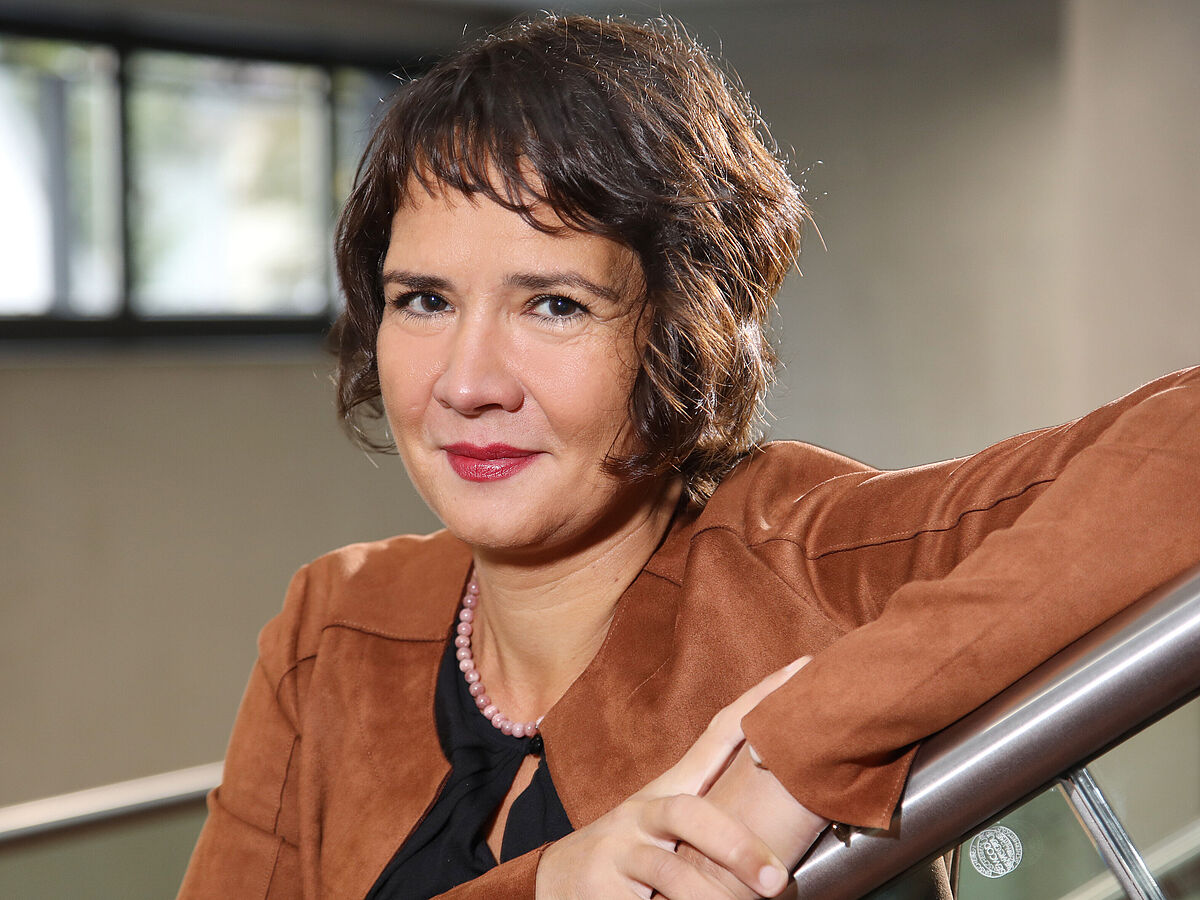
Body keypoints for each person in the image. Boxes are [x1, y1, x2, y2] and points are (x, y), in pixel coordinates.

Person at [178, 14, 1200, 900]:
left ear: (679, 329)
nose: (467, 381)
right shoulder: (333, 628)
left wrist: (789, 755)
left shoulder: (810, 563)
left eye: (554, 304)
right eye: (425, 300)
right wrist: (551, 883)